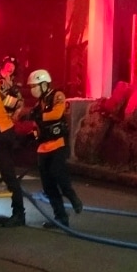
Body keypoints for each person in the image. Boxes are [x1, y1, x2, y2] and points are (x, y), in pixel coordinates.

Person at [27, 68, 83, 228]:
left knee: (59, 176)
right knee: (49, 186)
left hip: (57, 146)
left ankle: (73, 199)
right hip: (43, 148)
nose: (32, 90)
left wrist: (39, 116)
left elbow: (57, 114)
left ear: (44, 84)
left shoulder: (57, 96)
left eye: (34, 86)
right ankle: (61, 217)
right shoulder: (39, 104)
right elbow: (36, 125)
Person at [0, 58, 27, 227]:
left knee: (9, 176)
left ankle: (19, 214)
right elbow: (8, 101)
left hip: (1, 135)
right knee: (6, 172)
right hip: (7, 131)